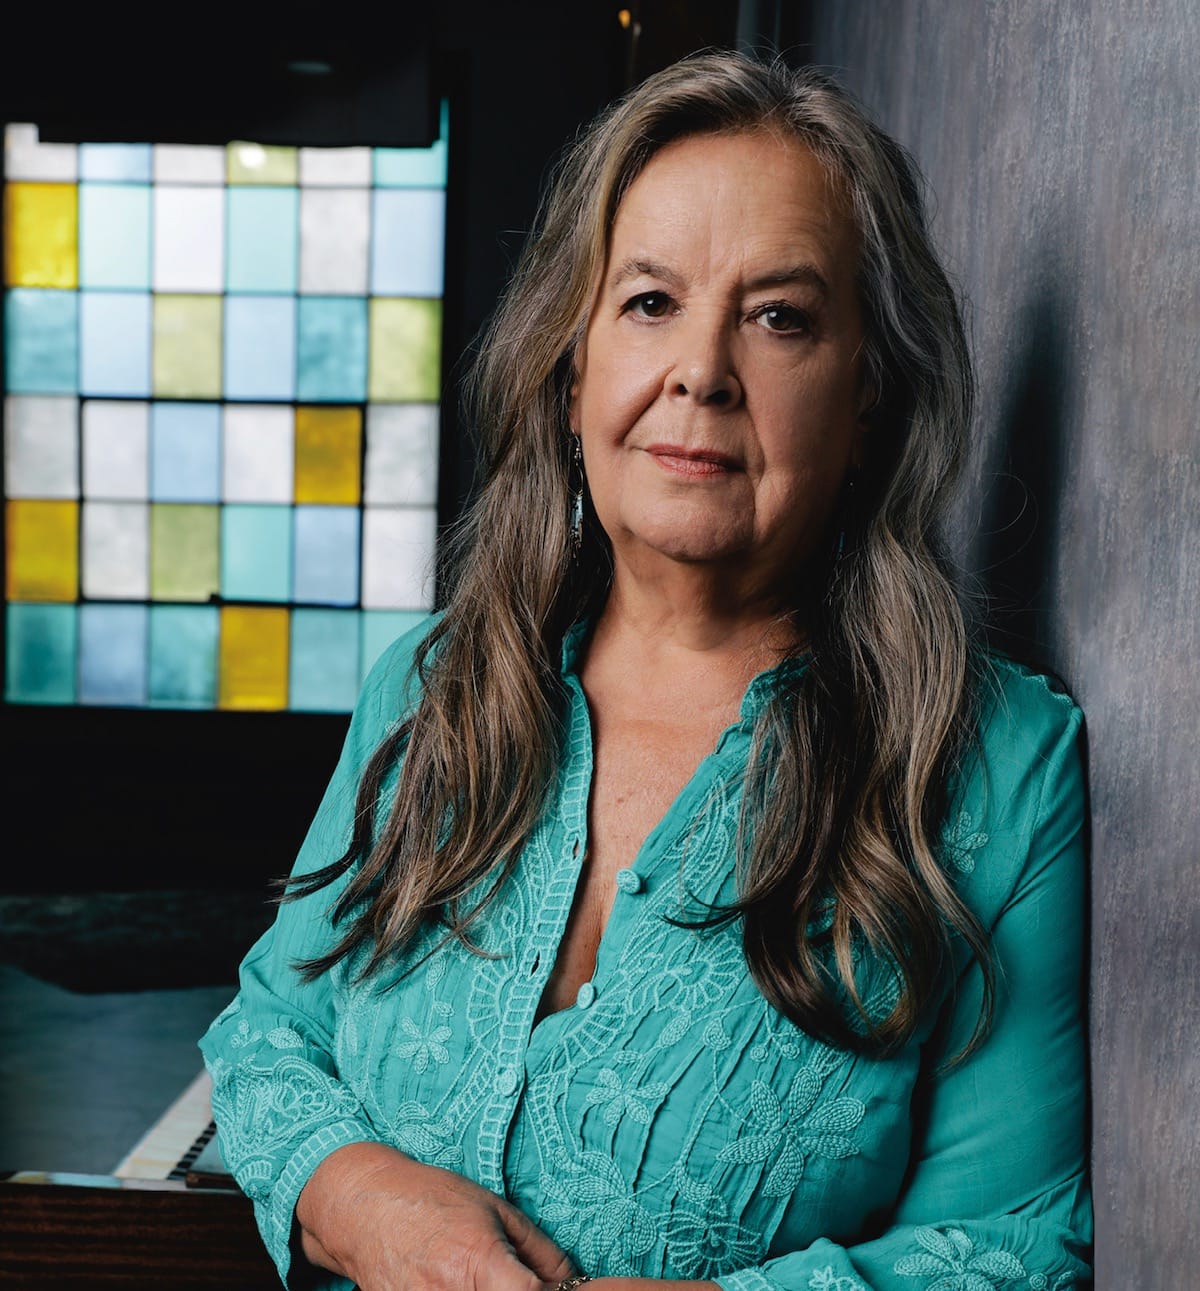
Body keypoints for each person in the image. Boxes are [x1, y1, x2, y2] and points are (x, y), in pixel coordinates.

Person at [199, 49, 1092, 1291]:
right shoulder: (432, 687)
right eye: (649, 302)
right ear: (574, 375)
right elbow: (268, 1034)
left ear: (871, 406)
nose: (702, 372)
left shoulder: (996, 771)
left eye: (780, 317)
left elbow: (1009, 1252)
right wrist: (366, 1200)